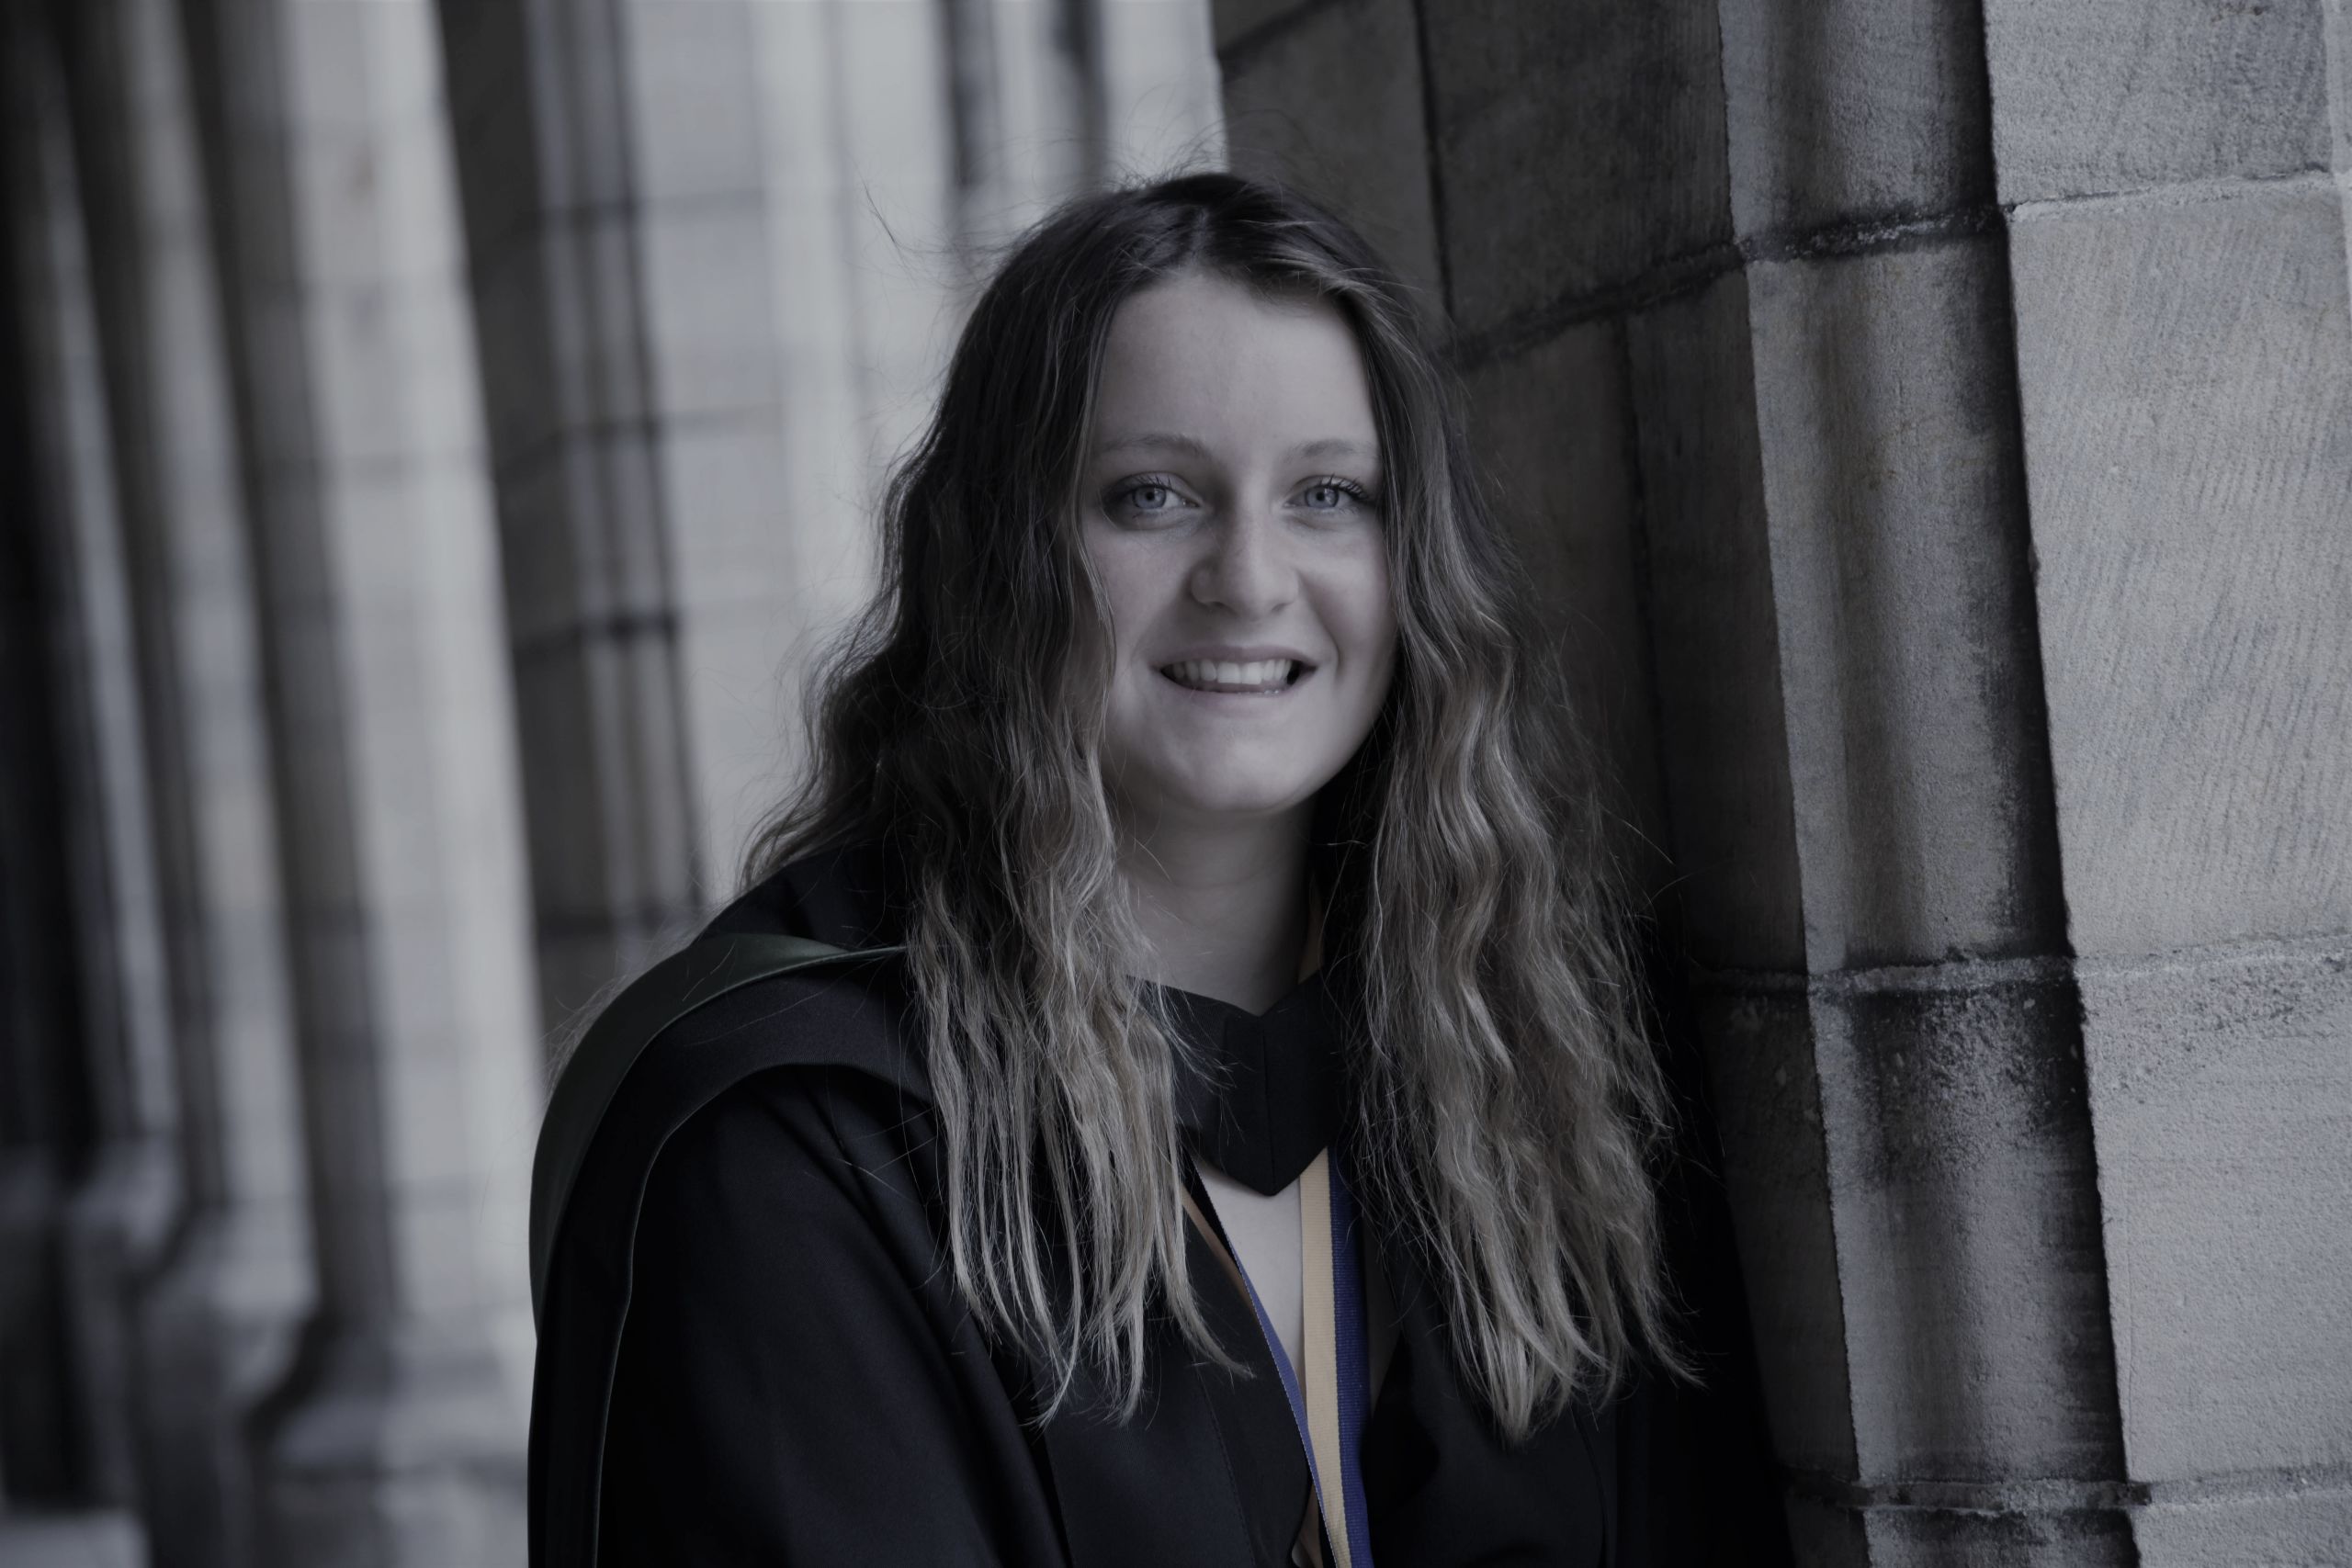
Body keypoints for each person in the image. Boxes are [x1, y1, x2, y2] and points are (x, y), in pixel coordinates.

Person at [528, 172, 1695, 1567]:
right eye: (1152, 496)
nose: (1250, 578)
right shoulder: (796, 1139)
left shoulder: (1539, 1057)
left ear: (1414, 564)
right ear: (1002, 557)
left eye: (1329, 494)